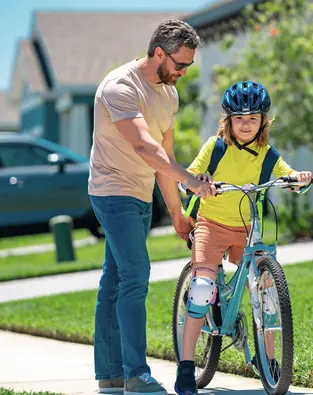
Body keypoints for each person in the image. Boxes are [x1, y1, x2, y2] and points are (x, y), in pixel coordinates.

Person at [88, 19, 214, 395]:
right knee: (135, 275)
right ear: (159, 52)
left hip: (141, 193)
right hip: (112, 190)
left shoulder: (169, 95)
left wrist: (177, 212)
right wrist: (191, 181)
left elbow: (165, 158)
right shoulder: (120, 87)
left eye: (189, 66)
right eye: (180, 64)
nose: (183, 72)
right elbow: (145, 146)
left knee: (115, 279)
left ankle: (109, 374)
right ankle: (136, 374)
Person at [174, 80, 313, 395]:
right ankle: (185, 367)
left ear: (264, 120)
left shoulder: (266, 154)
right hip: (211, 223)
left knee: (266, 288)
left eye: (253, 118)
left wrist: (299, 179)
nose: (246, 124)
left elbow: (289, 177)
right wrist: (200, 180)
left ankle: (269, 360)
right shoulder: (215, 146)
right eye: (239, 118)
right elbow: (190, 176)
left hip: (247, 228)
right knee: (200, 289)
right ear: (228, 121)